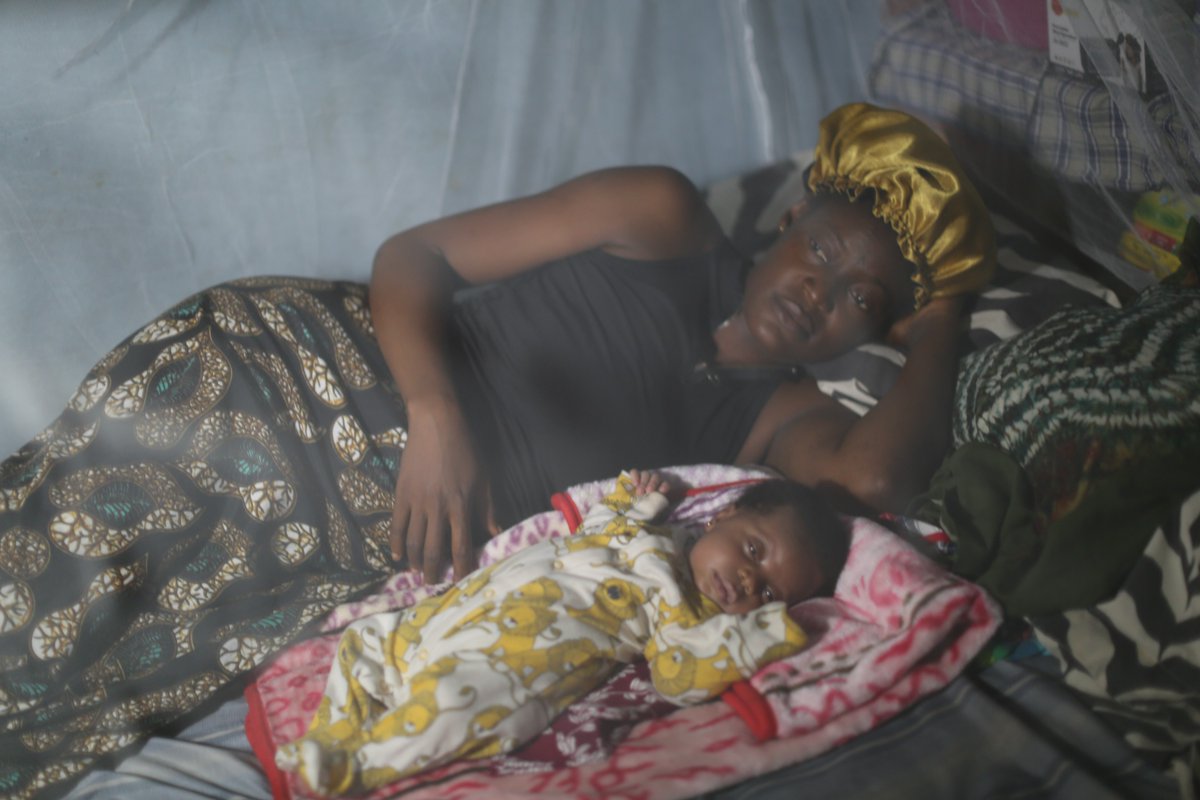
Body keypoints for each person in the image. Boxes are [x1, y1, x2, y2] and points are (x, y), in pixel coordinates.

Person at [0, 102, 996, 799]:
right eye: (821, 250)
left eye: (861, 298)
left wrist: (945, 310)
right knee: (44, 568)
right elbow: (414, 257)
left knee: (97, 684)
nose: (819, 292)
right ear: (790, 220)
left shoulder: (782, 419)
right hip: (310, 372)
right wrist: (437, 418)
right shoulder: (662, 216)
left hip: (357, 526)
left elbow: (874, 477)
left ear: (882, 330)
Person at [274, 469, 845, 795]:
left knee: (455, 708)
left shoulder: (681, 613)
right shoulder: (651, 530)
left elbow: (681, 675)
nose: (747, 581)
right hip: (449, 615)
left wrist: (761, 633)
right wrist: (635, 493)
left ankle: (356, 764)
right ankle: (337, 728)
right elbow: (597, 521)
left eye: (768, 592)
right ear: (722, 516)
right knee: (364, 642)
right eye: (753, 551)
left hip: (498, 662)